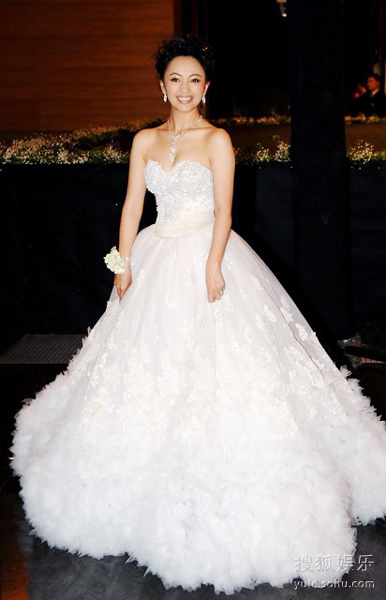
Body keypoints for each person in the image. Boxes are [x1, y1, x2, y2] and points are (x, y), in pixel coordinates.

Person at [9, 35, 386, 595]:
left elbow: (226, 210)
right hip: (157, 251)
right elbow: (134, 204)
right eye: (175, 80)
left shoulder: (217, 140)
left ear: (205, 89)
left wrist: (214, 264)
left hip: (206, 254)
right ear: (161, 86)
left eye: (194, 80)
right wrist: (123, 261)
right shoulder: (143, 141)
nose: (184, 89)